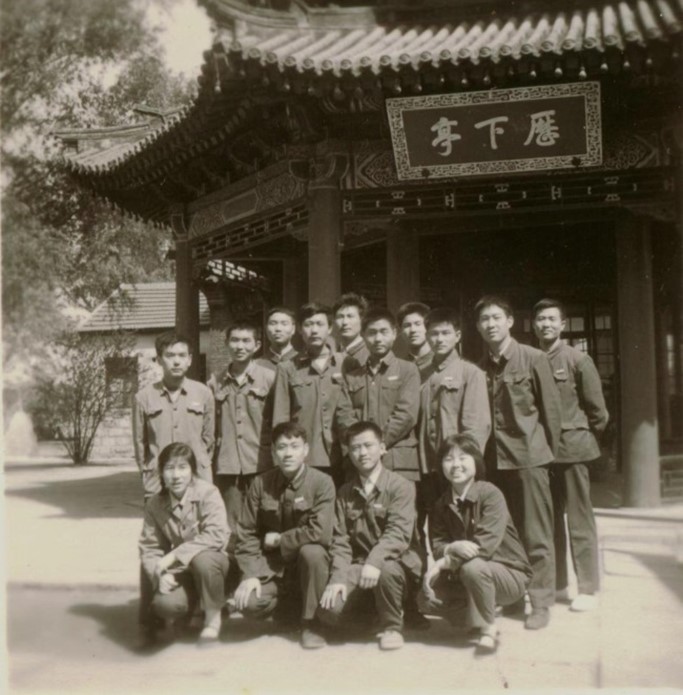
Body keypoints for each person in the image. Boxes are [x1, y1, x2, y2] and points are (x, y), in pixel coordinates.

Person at [476, 295, 562, 630]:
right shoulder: (480, 366)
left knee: (536, 533)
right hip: (494, 463)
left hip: (529, 459)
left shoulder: (534, 358)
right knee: (504, 534)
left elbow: (551, 414)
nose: (491, 324)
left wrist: (543, 455)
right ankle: (512, 595)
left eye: (496, 317)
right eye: (484, 319)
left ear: (510, 321)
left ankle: (540, 602)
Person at [419, 434, 531, 654]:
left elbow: (484, 547)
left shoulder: (490, 494)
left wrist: (444, 562)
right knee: (424, 598)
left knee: (473, 567)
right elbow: (438, 545)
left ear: (476, 462)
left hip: (509, 573)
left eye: (463, 458)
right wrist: (452, 547)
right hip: (469, 571)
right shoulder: (442, 503)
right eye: (448, 459)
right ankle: (474, 615)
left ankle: (488, 628)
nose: (456, 465)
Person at [318, 422, 422, 650]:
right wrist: (338, 578)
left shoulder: (401, 486)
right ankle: (372, 615)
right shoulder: (345, 492)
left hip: (397, 565)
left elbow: (397, 534)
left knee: (387, 570)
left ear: (382, 448)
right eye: (355, 448)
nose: (362, 453)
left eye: (368, 445)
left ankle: (392, 627)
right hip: (360, 567)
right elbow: (340, 540)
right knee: (329, 611)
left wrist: (374, 562)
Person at [533, 298, 608, 612]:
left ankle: (588, 587)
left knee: (579, 520)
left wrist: (581, 439)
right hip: (541, 453)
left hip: (573, 450)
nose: (546, 324)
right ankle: (559, 583)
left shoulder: (578, 360)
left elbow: (598, 413)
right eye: (541, 319)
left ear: (562, 324)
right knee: (548, 521)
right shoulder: (532, 359)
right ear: (534, 325)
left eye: (552, 319)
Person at [233, 422, 335, 649]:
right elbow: (246, 533)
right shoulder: (260, 483)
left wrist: (280, 540)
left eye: (295, 446)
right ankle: (289, 612)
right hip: (272, 568)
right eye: (281, 447)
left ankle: (311, 624)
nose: (288, 453)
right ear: (273, 452)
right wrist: (250, 574)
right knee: (248, 603)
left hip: (307, 568)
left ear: (306, 450)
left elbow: (320, 532)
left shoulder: (322, 482)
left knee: (314, 552)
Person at [139, 442, 230, 644]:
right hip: (185, 570)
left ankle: (213, 619)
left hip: (215, 567)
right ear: (161, 473)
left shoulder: (208, 493)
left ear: (192, 471)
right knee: (167, 605)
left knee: (203, 560)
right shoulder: (155, 504)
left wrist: (174, 555)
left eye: (182, 467)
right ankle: (191, 607)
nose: (176, 475)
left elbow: (217, 535)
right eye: (169, 468)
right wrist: (159, 574)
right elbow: (150, 547)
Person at [417, 307, 491, 557]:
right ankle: (440, 576)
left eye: (445, 333)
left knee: (461, 526)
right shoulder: (420, 374)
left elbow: (476, 426)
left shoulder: (470, 373)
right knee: (436, 527)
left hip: (456, 468)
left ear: (457, 336)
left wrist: (463, 466)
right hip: (428, 466)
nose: (439, 339)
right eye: (433, 333)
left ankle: (464, 578)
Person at [337, 307, 421, 482]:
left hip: (396, 460)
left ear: (394, 333)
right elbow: (343, 415)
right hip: (359, 462)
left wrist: (376, 445)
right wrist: (361, 446)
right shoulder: (352, 376)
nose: (378, 339)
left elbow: (406, 415)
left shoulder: (408, 370)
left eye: (384, 332)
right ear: (363, 335)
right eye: (372, 333)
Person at [207, 322, 275, 539]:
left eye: (246, 341)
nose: (240, 346)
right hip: (228, 466)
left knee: (265, 521)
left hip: (261, 463)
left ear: (257, 345)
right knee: (233, 526)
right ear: (227, 344)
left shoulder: (270, 379)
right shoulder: (215, 383)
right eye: (234, 340)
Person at [272, 302, 347, 486]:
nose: (314, 330)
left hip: (344, 455)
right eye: (308, 325)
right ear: (299, 329)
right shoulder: (287, 368)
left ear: (330, 328)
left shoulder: (346, 363)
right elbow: (281, 418)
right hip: (306, 457)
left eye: (320, 324)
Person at [133, 331, 215, 498]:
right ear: (159, 360)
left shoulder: (203, 393)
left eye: (182, 355)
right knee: (158, 515)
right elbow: (140, 443)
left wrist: (199, 463)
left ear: (189, 360)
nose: (176, 361)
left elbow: (209, 439)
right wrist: (148, 471)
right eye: (170, 355)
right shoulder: (143, 397)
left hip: (197, 476)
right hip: (158, 478)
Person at [333, 292, 370, 373]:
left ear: (362, 320)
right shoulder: (333, 354)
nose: (345, 322)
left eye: (350, 316)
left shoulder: (371, 355)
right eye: (340, 317)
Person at [397, 302, 433, 383]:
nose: (413, 330)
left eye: (418, 324)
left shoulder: (442, 363)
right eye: (407, 325)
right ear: (401, 331)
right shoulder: (398, 368)